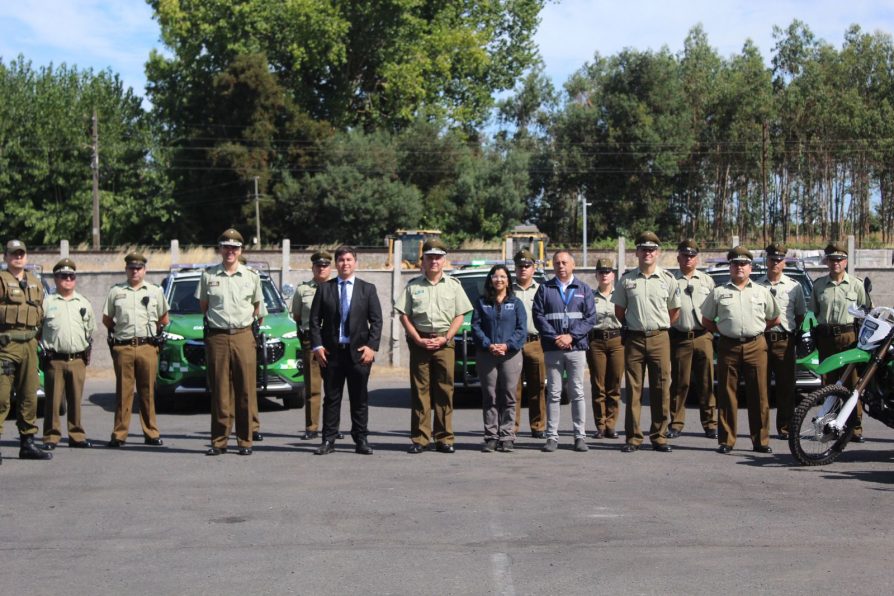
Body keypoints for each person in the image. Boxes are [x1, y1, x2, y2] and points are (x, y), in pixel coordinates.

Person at [396, 238, 473, 454]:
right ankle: (420, 439)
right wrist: (417, 339)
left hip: (444, 343)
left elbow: (460, 314)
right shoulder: (413, 286)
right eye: (430, 257)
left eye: (438, 257)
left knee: (444, 390)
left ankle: (444, 438)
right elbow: (403, 315)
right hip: (420, 343)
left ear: (444, 260)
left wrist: (447, 337)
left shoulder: (454, 285)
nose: (434, 261)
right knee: (420, 392)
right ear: (424, 260)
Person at [702, 246, 780, 454]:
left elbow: (775, 317)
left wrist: (759, 330)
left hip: (756, 345)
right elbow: (706, 320)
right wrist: (722, 332)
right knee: (727, 394)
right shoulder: (719, 292)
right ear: (730, 267)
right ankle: (727, 440)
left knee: (759, 394)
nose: (739, 267)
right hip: (728, 345)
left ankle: (761, 441)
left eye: (743, 264)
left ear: (751, 268)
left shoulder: (762, 291)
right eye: (735, 264)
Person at [310, 246, 382, 455]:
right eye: (341, 260)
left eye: (349, 259)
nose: (345, 263)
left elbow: (376, 321)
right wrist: (317, 345)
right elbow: (314, 320)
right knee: (332, 398)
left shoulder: (367, 289)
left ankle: (361, 439)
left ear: (355, 262)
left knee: (359, 398)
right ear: (336, 264)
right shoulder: (325, 289)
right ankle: (328, 440)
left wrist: (371, 347)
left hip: (359, 353)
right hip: (332, 353)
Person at [613, 232, 680, 453]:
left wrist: (657, 327)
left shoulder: (668, 279)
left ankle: (659, 436)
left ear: (658, 253)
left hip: (660, 337)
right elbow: (619, 311)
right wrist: (638, 325)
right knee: (633, 389)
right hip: (634, 338)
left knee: (661, 387)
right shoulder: (627, 280)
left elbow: (674, 312)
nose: (648, 253)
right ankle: (633, 437)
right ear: (637, 253)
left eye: (652, 250)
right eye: (643, 249)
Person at [198, 229, 264, 456]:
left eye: (234, 248)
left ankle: (245, 441)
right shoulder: (209, 275)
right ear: (220, 249)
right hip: (217, 336)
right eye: (226, 246)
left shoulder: (251, 276)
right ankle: (219, 442)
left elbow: (258, 309)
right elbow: (204, 306)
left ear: (241, 250)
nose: (230, 251)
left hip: (243, 335)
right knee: (220, 391)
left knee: (245, 389)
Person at [103, 251, 169, 448]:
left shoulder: (155, 291)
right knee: (123, 393)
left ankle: (151, 433)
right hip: (123, 347)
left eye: (139, 268)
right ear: (126, 269)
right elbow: (107, 319)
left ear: (145, 270)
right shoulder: (116, 291)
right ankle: (119, 434)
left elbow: (164, 319)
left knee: (147, 392)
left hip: (147, 347)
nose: (135, 272)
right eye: (131, 268)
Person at [532, 250, 595, 453]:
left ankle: (580, 436)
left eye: (565, 262)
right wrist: (556, 337)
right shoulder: (544, 289)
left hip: (576, 348)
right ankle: (552, 437)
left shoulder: (584, 289)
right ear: (553, 265)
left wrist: (571, 336)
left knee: (577, 392)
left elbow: (590, 318)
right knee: (554, 393)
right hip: (553, 348)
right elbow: (538, 316)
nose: (561, 266)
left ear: (573, 265)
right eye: (557, 263)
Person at [808, 240, 871, 442]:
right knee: (828, 382)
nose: (836, 263)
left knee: (852, 383)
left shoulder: (856, 284)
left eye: (840, 259)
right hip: (826, 337)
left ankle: (855, 427)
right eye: (832, 259)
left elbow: (867, 311)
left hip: (849, 337)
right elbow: (814, 312)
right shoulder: (819, 285)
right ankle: (829, 424)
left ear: (845, 261)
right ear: (827, 262)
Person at [0, 239, 52, 463]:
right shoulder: (1, 281)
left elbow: (41, 314)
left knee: (30, 395)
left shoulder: (35, 282)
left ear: (26, 256)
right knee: (1, 397)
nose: (17, 257)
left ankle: (27, 442)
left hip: (30, 344)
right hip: (6, 344)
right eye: (13, 254)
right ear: (5, 257)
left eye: (21, 253)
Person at [40, 258, 96, 450]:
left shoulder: (83, 303)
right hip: (54, 359)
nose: (68, 279)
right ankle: (51, 437)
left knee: (76, 400)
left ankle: (77, 435)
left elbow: (90, 330)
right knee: (53, 402)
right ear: (55, 279)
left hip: (77, 359)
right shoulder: (47, 303)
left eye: (71, 276)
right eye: (63, 276)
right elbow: (38, 330)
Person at [471, 264, 527, 452]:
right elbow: (476, 327)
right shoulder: (481, 302)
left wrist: (507, 345)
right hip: (487, 354)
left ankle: (507, 435)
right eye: (495, 276)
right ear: (490, 280)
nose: (499, 280)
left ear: (508, 280)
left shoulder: (516, 303)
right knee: (490, 395)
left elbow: (521, 329)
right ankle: (491, 436)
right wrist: (489, 345)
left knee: (509, 395)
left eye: (503, 276)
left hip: (510, 355)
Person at [668, 239, 717, 440]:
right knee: (680, 383)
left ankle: (710, 424)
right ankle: (676, 423)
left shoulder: (707, 281)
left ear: (697, 259)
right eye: (685, 255)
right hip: (680, 338)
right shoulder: (670, 280)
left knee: (707, 382)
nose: (688, 259)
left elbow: (716, 309)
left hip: (703, 336)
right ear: (678, 257)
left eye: (692, 256)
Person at [757, 242, 806, 440]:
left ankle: (785, 428)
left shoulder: (795, 287)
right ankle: (761, 429)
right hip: (762, 340)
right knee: (761, 387)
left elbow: (800, 314)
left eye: (779, 260)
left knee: (786, 387)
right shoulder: (757, 286)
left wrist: (792, 333)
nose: (775, 263)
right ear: (766, 261)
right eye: (772, 260)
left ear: (784, 262)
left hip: (785, 341)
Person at [292, 251, 333, 440]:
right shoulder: (303, 290)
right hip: (312, 341)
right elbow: (298, 317)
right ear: (313, 268)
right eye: (318, 265)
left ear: (330, 268)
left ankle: (332, 427)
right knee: (313, 387)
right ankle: (312, 427)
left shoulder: (337, 287)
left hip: (333, 341)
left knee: (334, 389)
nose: (322, 268)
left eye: (325, 266)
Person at [586, 258, 624, 440]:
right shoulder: (590, 296)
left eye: (608, 271)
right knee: (598, 385)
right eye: (601, 272)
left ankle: (611, 424)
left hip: (617, 340)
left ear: (613, 274)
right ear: (596, 275)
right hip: (597, 342)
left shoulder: (620, 295)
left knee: (614, 385)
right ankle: (600, 425)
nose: (604, 275)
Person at [511, 249, 546, 439]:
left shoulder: (542, 289)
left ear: (534, 268)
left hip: (535, 342)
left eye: (527, 266)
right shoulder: (508, 290)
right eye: (520, 266)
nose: (523, 269)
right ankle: (512, 427)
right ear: (515, 268)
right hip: (514, 344)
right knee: (513, 388)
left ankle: (538, 426)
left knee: (538, 386)